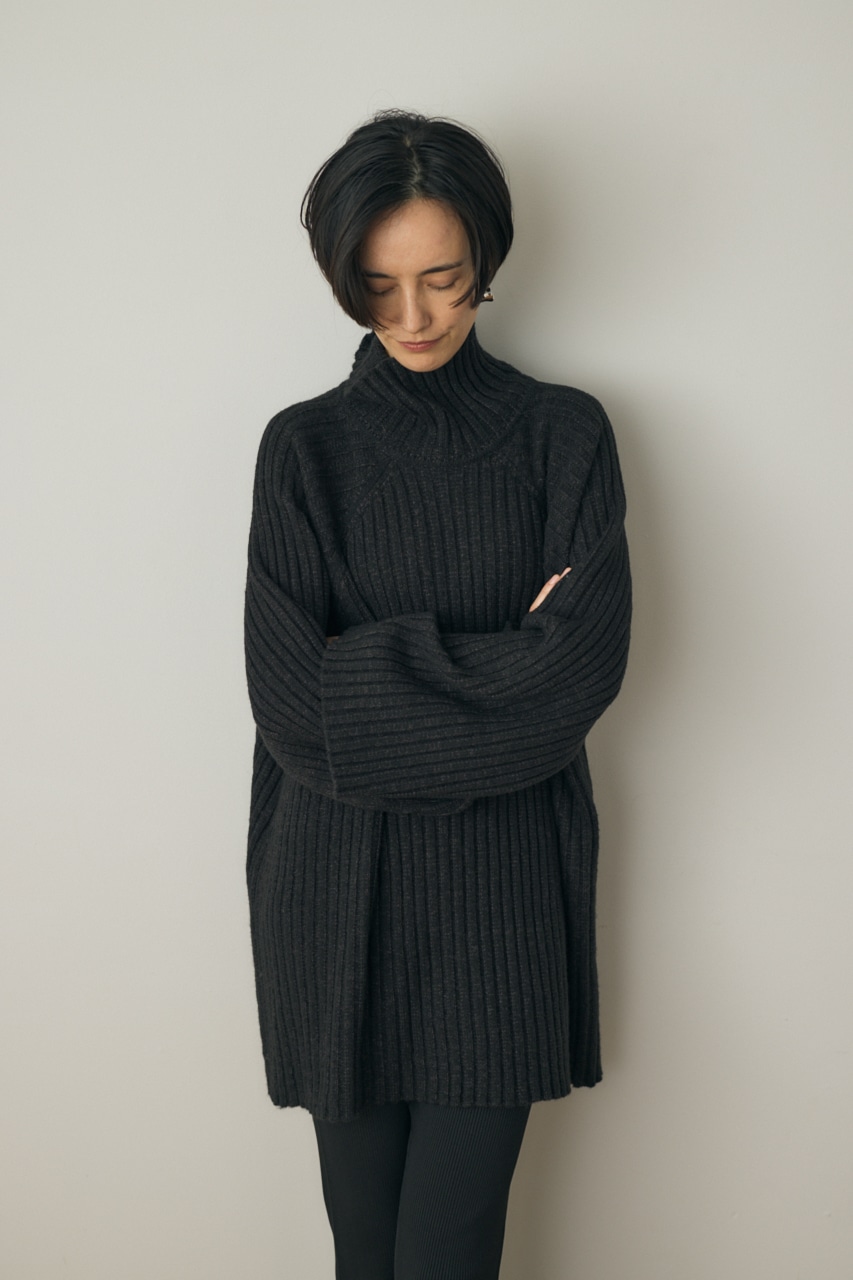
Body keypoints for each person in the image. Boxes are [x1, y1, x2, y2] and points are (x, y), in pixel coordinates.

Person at [244, 109, 632, 1279]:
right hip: (332, 895)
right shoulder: (302, 449)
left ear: (487, 261)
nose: (412, 316)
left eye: (443, 279)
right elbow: (290, 708)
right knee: (363, 1251)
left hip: (498, 902)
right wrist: (500, 659)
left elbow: (577, 672)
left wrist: (360, 667)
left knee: (447, 1253)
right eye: (378, 285)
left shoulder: (563, 434)